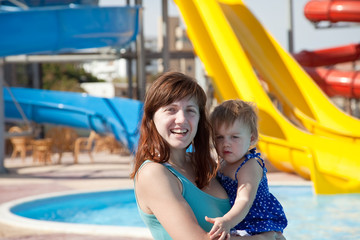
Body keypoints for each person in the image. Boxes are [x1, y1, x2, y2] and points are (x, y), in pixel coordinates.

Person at [130, 71, 285, 240]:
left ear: (199, 119)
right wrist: (265, 238)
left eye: (190, 110)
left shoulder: (207, 165)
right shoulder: (154, 173)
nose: (181, 119)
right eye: (171, 110)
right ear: (152, 117)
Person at [206, 100, 287, 239]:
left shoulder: (249, 165)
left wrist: (227, 221)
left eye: (234, 137)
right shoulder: (223, 163)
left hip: (257, 224)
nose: (226, 143)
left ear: (251, 138)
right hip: (239, 222)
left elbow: (244, 200)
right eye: (219, 137)